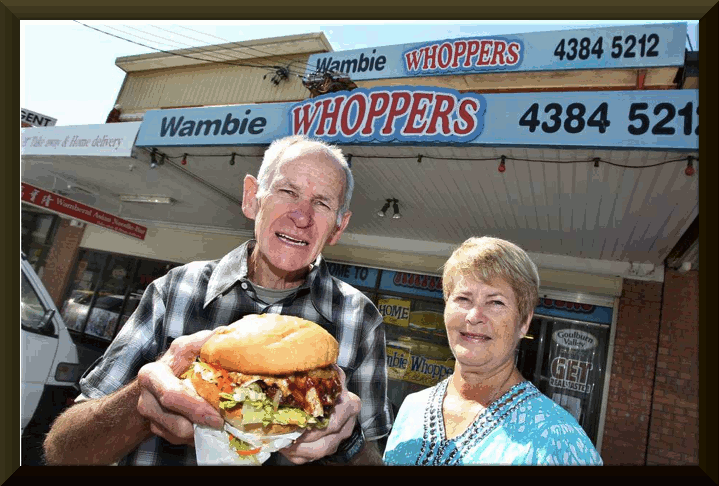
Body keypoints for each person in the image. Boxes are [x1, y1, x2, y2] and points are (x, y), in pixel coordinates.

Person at [43, 135, 392, 466]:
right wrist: (140, 404)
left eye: (321, 203)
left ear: (338, 227)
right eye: (287, 191)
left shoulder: (360, 319)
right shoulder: (175, 290)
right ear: (252, 197)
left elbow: (371, 459)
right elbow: (62, 451)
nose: (301, 217)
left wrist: (347, 443)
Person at [382, 237, 602, 465]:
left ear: (524, 322)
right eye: (463, 298)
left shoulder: (558, 439)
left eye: (495, 302)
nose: (474, 316)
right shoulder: (413, 407)